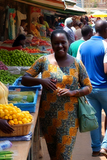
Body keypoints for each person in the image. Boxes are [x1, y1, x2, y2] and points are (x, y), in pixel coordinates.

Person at [22, 30, 92, 160]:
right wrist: (41, 80)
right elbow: (24, 79)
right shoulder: (43, 61)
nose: (60, 46)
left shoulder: (77, 63)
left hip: (69, 118)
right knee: (54, 155)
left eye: (63, 42)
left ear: (68, 43)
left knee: (64, 156)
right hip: (48, 116)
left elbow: (88, 87)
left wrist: (73, 92)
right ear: (51, 45)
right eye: (56, 43)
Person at [77, 20, 107, 159]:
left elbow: (79, 68)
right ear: (104, 30)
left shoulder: (83, 46)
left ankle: (95, 148)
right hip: (105, 87)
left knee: (95, 118)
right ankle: (106, 145)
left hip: (89, 89)